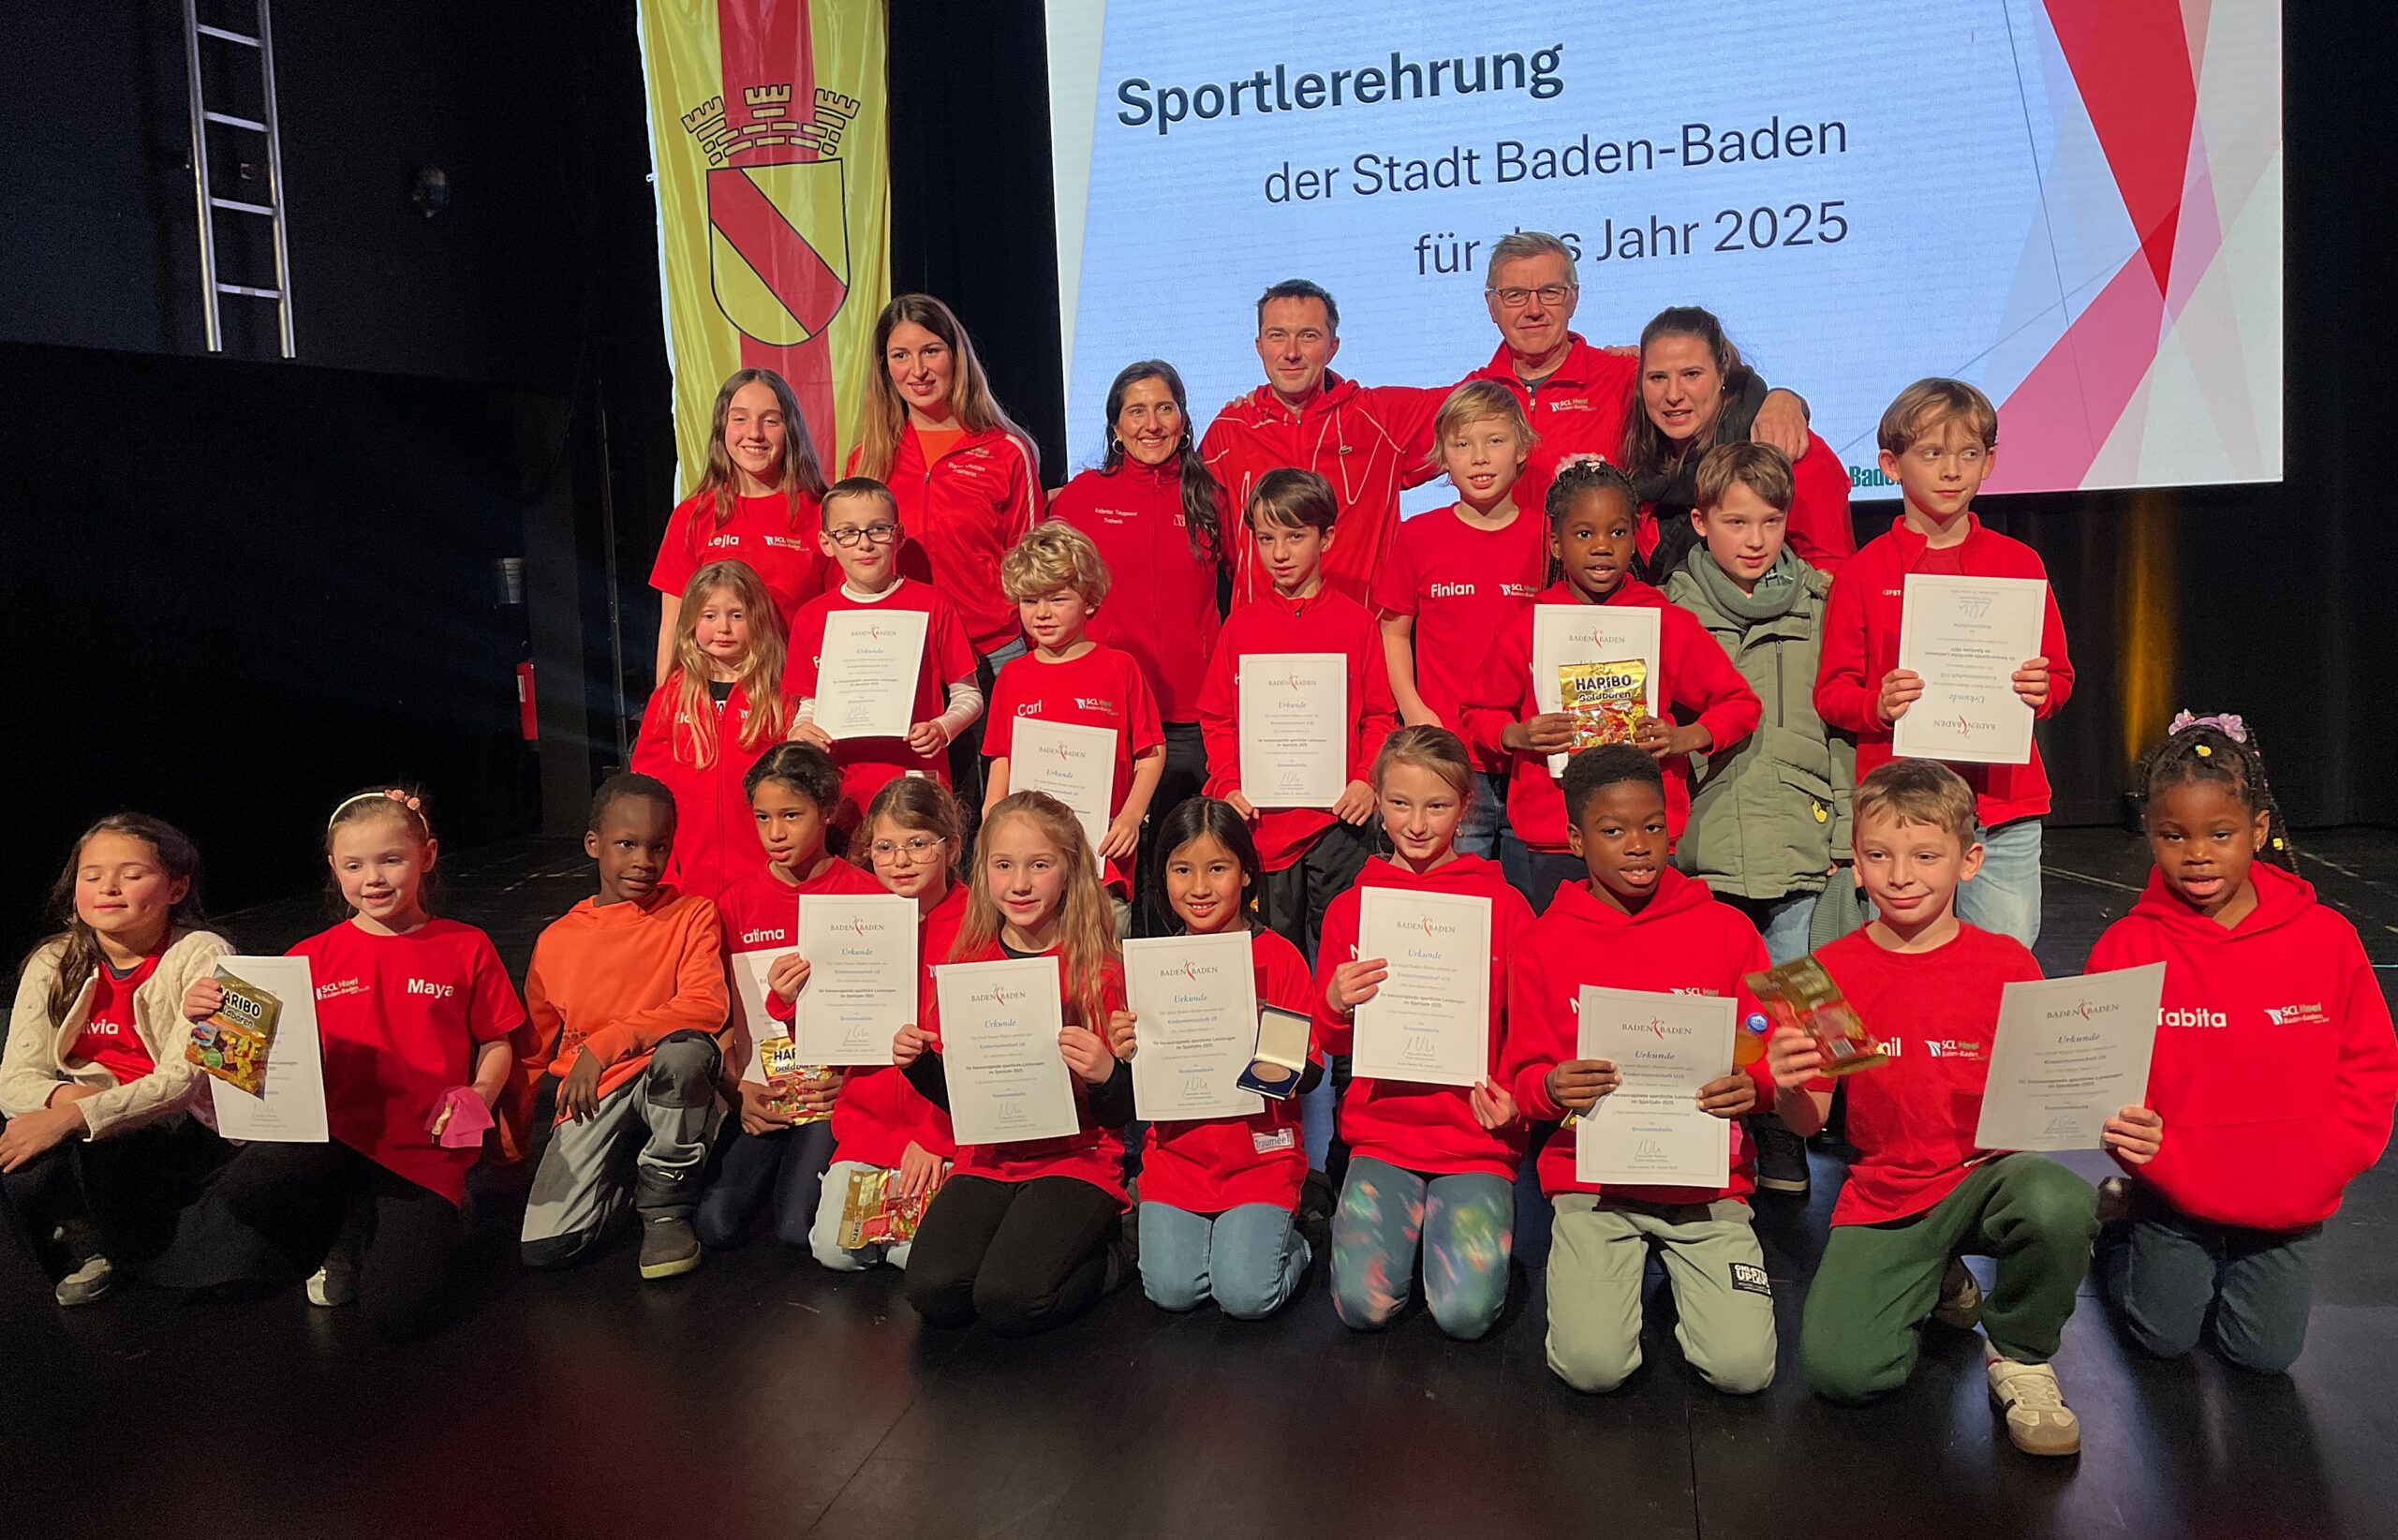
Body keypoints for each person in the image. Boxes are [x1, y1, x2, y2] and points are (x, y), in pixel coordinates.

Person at [1766, 761, 2155, 1458]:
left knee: (2060, 1202)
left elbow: (2052, 1093)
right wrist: (1790, 1086)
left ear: (1968, 861)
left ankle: (2020, 1355)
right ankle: (1939, 1277)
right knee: (1842, 1374)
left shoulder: (2006, 964)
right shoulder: (1824, 978)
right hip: (1887, 1190)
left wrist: (2113, 1115)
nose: (1900, 875)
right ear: (1855, 861)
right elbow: (1809, 1120)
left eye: (1925, 856)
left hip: (1988, 1178)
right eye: (1879, 855)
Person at [2089, 713, 2397, 1373]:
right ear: (2149, 831)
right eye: (2174, 835)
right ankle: (2116, 1237)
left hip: (2288, 1197)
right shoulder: (2126, 948)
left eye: (2220, 834)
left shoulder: (2327, 938)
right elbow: (2103, 1078)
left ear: (2258, 831)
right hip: (2174, 1191)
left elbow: (2369, 1065)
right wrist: (2136, 1144)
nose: (2197, 853)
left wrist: (2331, 1158)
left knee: (2260, 1355)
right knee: (2162, 1338)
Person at [184, 789, 522, 1339]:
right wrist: (208, 1016)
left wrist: (480, 1093)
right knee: (248, 1183)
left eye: (391, 860)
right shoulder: (309, 956)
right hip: (334, 1137)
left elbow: (497, 1040)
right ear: (334, 868)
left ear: (427, 856)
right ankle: (338, 1229)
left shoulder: (466, 946)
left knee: (396, 1314)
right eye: (354, 865)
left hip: (422, 1145)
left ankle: (437, 1212)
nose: (374, 879)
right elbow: (246, 1060)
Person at [1503, 746, 1779, 1394]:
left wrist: (1756, 1085)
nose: (1638, 845)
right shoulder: (1543, 942)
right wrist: (1550, 1086)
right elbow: (1522, 1076)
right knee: (1591, 1367)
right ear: (1576, 839)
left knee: (1743, 1370)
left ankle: (1695, 1290)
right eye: (1613, 830)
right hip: (1593, 1183)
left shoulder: (1729, 930)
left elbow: (1769, 1043)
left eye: (1652, 826)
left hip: (1708, 1184)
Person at [1814, 378, 2071, 949]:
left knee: (2003, 959)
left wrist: (2042, 689)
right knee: (1906, 960)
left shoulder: (2018, 563)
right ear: (1891, 464)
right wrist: (1878, 704)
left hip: (2002, 806)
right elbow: (1832, 693)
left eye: (1968, 454)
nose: (1951, 471)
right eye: (1931, 454)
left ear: (1989, 463)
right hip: (1902, 811)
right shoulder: (1864, 572)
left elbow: (2058, 677)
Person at [1666, 442, 1854, 1194]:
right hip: (1705, 837)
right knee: (1717, 1003)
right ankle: (1715, 1136)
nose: (1754, 539)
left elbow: (1842, 727)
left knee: (1806, 995)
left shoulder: (1822, 601)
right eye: (1736, 521)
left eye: (1770, 522)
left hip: (1801, 834)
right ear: (1700, 522)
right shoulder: (1670, 608)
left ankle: (1793, 1133)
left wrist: (1847, 833)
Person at [1312, 727, 1532, 1340]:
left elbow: (1528, 1025)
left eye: (1436, 806)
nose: (1416, 824)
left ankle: (1464, 1232)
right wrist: (1333, 1003)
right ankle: (1410, 1234)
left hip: (1474, 1139)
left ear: (1465, 806)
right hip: (1383, 1135)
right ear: (1378, 801)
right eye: (1400, 803)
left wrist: (1514, 1097)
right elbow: (1332, 1042)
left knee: (1464, 1316)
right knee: (1362, 1307)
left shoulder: (1505, 906)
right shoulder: (1351, 908)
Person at [1462, 460, 1760, 911]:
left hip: (1645, 838)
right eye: (1584, 534)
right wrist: (1515, 734)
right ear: (1557, 544)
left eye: (1617, 532)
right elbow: (1477, 712)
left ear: (1633, 539)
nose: (1602, 547)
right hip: (1553, 838)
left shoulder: (1665, 622)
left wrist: (1684, 738)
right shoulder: (1527, 627)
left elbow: (1739, 703)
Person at [895, 792, 1136, 1336]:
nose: (1019, 884)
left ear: (1069, 872)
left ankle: (1123, 1248)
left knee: (1012, 1300)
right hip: (989, 1158)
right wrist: (918, 1063)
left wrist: (1107, 1074)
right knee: (934, 1290)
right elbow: (962, 1098)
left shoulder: (1100, 970)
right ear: (984, 871)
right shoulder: (967, 964)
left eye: (1039, 865)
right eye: (1003, 866)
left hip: (1076, 1158)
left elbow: (1123, 1109)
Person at [2, 816, 231, 1307]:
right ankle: (84, 1243)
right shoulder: (53, 960)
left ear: (176, 888)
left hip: (171, 1124)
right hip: (89, 1109)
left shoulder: (202, 953)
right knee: (22, 1153)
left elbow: (182, 1083)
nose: (108, 887)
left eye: (131, 874)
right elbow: (15, 1080)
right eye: (92, 876)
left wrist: (74, 1116)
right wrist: (74, 1104)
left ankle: (129, 1246)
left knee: (95, 1149)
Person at [1108, 798, 1324, 1319]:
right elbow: (1130, 1088)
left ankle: (1299, 1241)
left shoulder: (1279, 958)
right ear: (1162, 876)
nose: (1199, 888)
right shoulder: (1151, 968)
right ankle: (1230, 1242)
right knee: (1171, 1291)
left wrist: (1278, 1051)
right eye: (1182, 870)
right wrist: (1124, 1050)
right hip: (1178, 1158)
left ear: (1246, 874)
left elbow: (1310, 1074)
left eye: (1218, 869)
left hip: (1260, 1159)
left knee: (1247, 1295)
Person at [515, 774, 730, 1280]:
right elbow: (531, 1050)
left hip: (659, 1073)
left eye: (658, 847)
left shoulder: (691, 914)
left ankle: (666, 1207)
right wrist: (510, 1149)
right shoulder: (557, 940)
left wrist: (605, 1045)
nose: (644, 861)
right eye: (627, 845)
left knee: (685, 1054)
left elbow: (705, 1004)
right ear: (594, 845)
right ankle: (626, 1180)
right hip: (593, 1092)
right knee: (548, 1247)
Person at [1461, 231, 1810, 524]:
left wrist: (1783, 400)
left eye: (1550, 292)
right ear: (1491, 306)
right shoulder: (1464, 401)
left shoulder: (1629, 376)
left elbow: (1715, 393)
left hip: (1613, 580)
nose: (1534, 309)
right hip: (1503, 581)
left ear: (1573, 299)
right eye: (1515, 295)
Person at [848, 294, 1042, 808]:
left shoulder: (1007, 451)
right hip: (899, 658)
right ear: (884, 368)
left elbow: (1033, 571)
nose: (918, 370)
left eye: (931, 351)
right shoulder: (867, 460)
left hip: (991, 656)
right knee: (910, 816)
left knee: (993, 811)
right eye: (901, 355)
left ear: (956, 355)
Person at [694, 745, 887, 1256]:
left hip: (829, 1095)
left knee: (797, 1227)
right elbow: (725, 1014)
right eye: (763, 817)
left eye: (791, 816)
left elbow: (886, 1015)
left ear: (827, 812)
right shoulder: (734, 903)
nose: (775, 833)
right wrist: (737, 1089)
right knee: (714, 1225)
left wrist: (851, 1085)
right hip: (761, 1088)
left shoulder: (868, 897)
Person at [1199, 468, 1398, 958]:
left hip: (1338, 823)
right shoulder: (1241, 627)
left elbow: (1379, 716)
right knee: (1276, 956)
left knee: (1338, 952)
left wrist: (1365, 780)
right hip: (1263, 827)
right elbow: (1219, 719)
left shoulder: (1356, 624)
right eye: (1266, 539)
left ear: (1326, 537)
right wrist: (1228, 783)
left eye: (1295, 536)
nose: (1280, 553)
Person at [1051, 361, 1231, 896]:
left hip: (1190, 717)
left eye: (1164, 409)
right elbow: (1048, 596)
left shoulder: (1212, 498)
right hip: (1107, 714)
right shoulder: (1082, 497)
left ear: (1183, 419)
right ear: (1115, 426)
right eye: (1136, 411)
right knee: (1109, 868)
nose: (1151, 424)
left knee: (1185, 861)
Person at [1372, 378, 1546, 864]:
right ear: (1443, 458)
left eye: (1495, 441)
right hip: (1449, 758)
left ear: (1522, 449)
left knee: (1527, 896)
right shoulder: (1419, 537)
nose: (1480, 458)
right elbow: (1393, 630)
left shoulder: (1548, 537)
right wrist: (1413, 709)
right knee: (1457, 892)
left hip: (1529, 761)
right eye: (1463, 444)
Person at [1200, 279, 1444, 607]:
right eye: (1277, 336)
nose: (1291, 353)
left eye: (1308, 336)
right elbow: (1207, 545)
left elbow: (1485, 403)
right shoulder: (1229, 431)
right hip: (1261, 633)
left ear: (1333, 347)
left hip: (1362, 631)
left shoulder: (1380, 419)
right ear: (1259, 346)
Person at [807, 777, 967, 1273]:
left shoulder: (978, 923)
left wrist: (939, 1138)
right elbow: (829, 1027)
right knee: (834, 1251)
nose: (900, 861)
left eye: (918, 844)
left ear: (951, 847)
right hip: (868, 1130)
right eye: (884, 847)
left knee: (911, 1257)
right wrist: (792, 1000)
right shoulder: (854, 919)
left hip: (942, 1133)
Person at [983, 523, 1166, 929]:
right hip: (1030, 869)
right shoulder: (1012, 676)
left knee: (1103, 962)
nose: (1042, 613)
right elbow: (1002, 757)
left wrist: (1131, 817)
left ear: (1090, 600)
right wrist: (991, 813)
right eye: (1030, 600)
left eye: (1057, 599)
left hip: (1102, 863)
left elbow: (1151, 753)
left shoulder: (1119, 669)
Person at [784, 475, 983, 830]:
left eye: (878, 529)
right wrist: (801, 730)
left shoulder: (933, 604)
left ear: (899, 536)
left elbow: (969, 696)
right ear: (826, 542)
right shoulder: (812, 617)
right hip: (843, 787)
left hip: (918, 781)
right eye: (848, 532)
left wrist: (942, 728)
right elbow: (809, 705)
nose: (865, 544)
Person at [1621, 305, 1853, 582]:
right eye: (1658, 377)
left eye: (1691, 374)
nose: (1673, 395)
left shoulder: (1782, 445)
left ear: (1722, 374)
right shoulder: (1636, 453)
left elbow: (1832, 579)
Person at [649, 367, 831, 685]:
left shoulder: (821, 513)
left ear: (790, 430)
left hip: (798, 695)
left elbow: (843, 615)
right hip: (714, 699)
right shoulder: (693, 516)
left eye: (770, 421)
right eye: (740, 419)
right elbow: (673, 627)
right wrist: (662, 705)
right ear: (723, 426)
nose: (755, 433)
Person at [630, 558, 797, 900]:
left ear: (758, 619)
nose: (723, 628)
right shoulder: (672, 696)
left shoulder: (778, 697)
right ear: (692, 621)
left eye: (736, 615)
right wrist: (662, 869)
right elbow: (647, 788)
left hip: (764, 877)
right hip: (687, 878)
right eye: (709, 616)